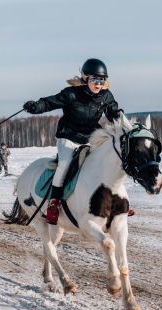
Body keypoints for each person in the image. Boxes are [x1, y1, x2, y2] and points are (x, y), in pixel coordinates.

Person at [22, 58, 122, 225]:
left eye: (101, 80)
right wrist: (36, 106)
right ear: (85, 78)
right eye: (94, 80)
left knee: (106, 162)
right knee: (65, 165)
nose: (98, 84)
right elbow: (49, 103)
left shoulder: (106, 95)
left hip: (91, 138)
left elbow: (113, 112)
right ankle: (54, 203)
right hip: (68, 137)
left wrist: (119, 117)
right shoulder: (71, 93)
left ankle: (115, 200)